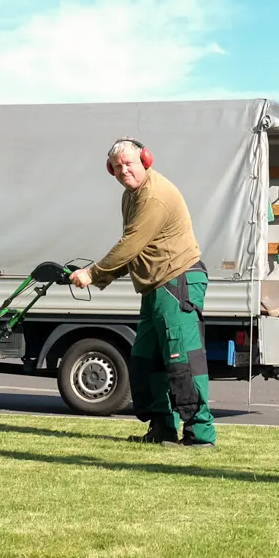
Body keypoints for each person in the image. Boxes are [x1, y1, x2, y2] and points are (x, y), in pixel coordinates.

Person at [69, 138, 216, 448]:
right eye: (118, 166)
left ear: (146, 161)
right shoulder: (130, 196)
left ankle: (200, 436)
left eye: (130, 164)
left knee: (182, 361)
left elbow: (130, 245)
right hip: (153, 287)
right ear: (111, 170)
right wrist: (100, 277)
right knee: (145, 361)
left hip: (177, 281)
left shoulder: (154, 196)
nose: (125, 170)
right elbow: (136, 251)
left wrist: (93, 274)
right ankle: (162, 430)